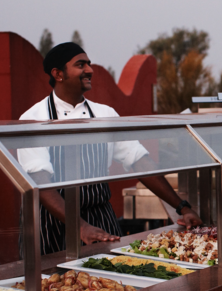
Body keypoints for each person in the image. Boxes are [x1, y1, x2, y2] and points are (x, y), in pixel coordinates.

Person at [18, 42, 202, 255]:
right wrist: (80, 226)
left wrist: (182, 207)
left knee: (114, 281)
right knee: (54, 284)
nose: (89, 70)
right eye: (80, 65)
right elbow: (40, 182)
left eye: (89, 63)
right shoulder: (34, 118)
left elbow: (139, 161)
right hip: (51, 222)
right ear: (58, 74)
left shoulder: (105, 115)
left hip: (99, 216)